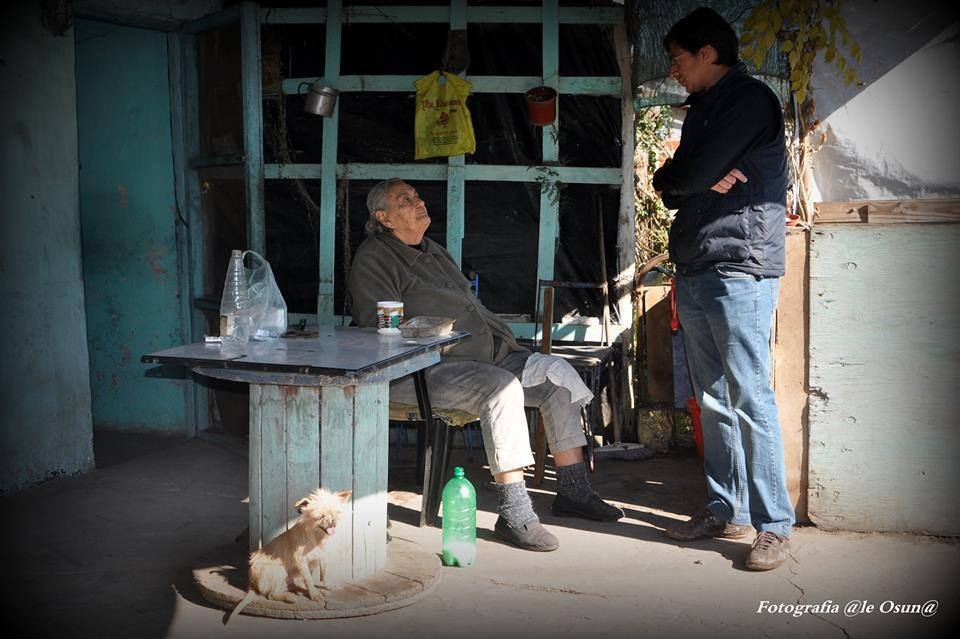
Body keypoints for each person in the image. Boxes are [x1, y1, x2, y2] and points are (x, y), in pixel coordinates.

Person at [349, 178, 623, 552]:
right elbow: (377, 329)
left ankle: (574, 490)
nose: (419, 202)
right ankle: (514, 512)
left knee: (556, 379)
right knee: (501, 390)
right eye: (405, 199)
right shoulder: (374, 258)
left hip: (489, 355)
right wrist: (428, 333)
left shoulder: (432, 250)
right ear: (384, 217)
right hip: (425, 370)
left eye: (416, 195)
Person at [652, 7, 795, 571]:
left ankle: (774, 526)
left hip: (741, 262)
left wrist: (691, 174)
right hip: (697, 262)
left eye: (677, 59)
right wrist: (688, 175)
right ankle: (725, 507)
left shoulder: (749, 100)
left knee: (750, 395)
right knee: (711, 395)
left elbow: (686, 174)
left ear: (708, 53)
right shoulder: (705, 108)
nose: (674, 71)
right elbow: (670, 183)